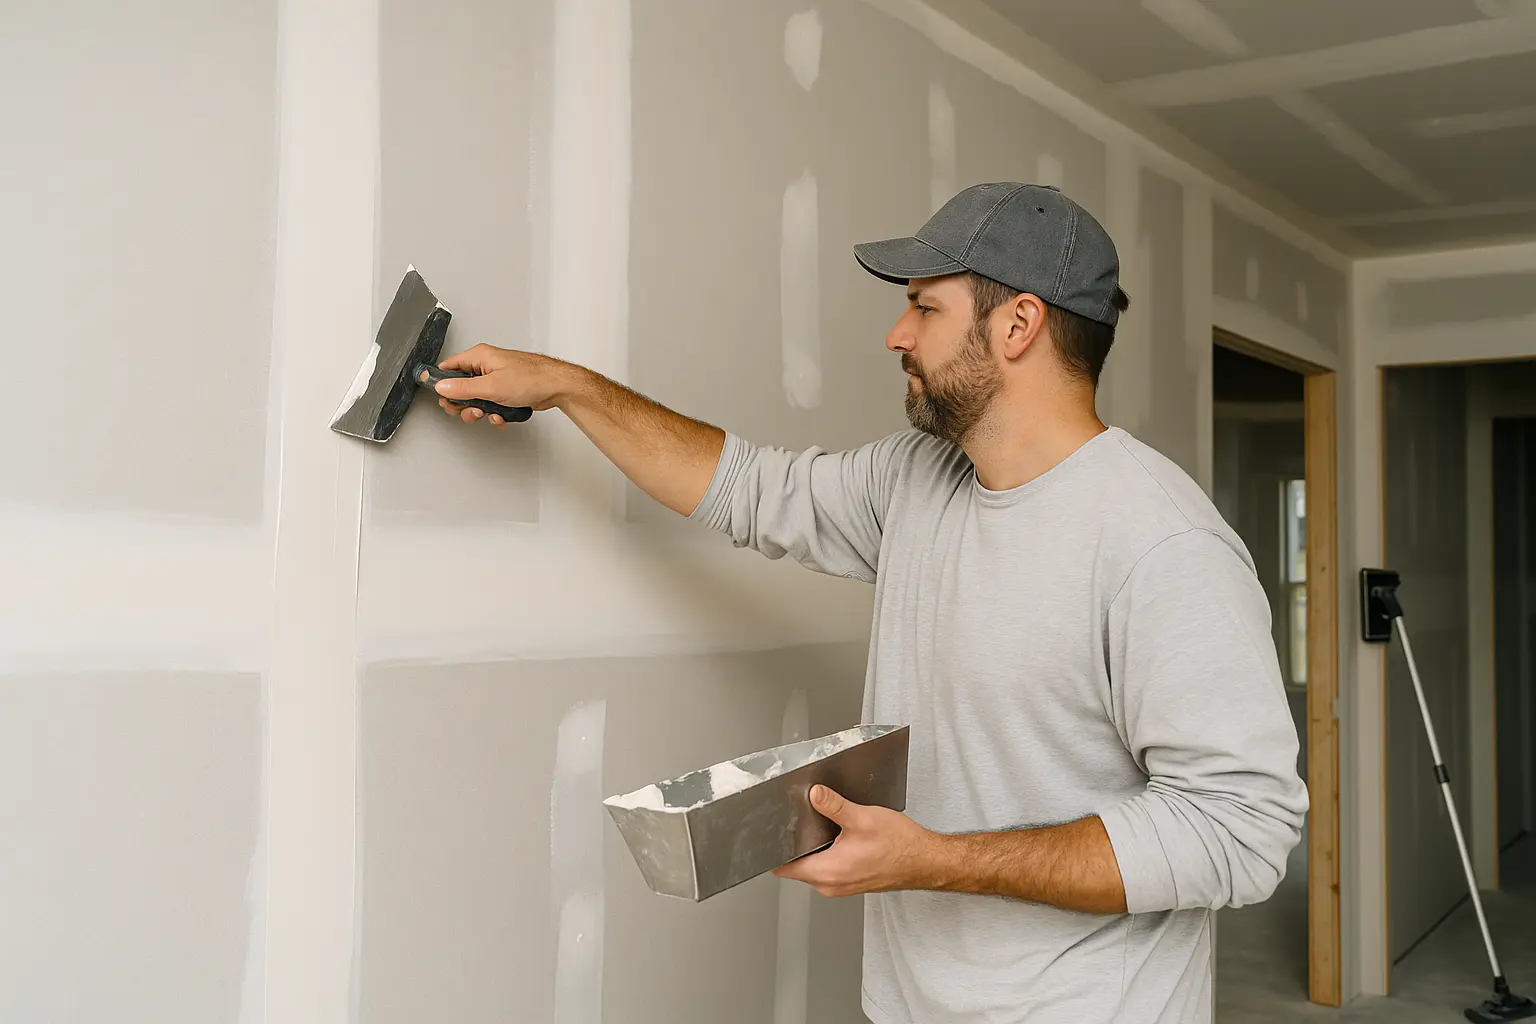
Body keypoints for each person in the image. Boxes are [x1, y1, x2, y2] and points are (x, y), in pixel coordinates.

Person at [432, 182, 1308, 1023]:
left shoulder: (1160, 548)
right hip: (910, 1002)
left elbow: (1241, 829)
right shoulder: (918, 478)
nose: (898, 333)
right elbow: (746, 487)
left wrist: (940, 861)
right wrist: (568, 386)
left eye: (925, 307)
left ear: (1018, 324)